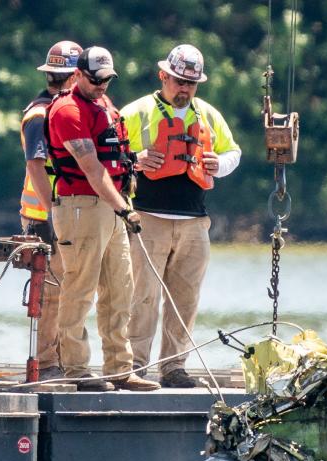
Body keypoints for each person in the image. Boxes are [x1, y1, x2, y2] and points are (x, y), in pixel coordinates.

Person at [122, 44, 241, 388]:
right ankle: (135, 367)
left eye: (191, 83)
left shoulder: (207, 115)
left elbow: (233, 151)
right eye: (177, 81)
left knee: (185, 298)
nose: (184, 88)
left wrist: (222, 164)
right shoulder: (138, 111)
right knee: (142, 295)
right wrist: (137, 157)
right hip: (146, 217)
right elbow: (111, 150)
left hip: (194, 221)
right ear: (163, 76)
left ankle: (174, 367)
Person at [46, 46, 160, 392]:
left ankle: (120, 369)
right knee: (80, 288)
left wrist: (134, 161)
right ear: (77, 74)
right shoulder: (67, 111)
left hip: (110, 206)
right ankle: (77, 370)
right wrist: (125, 208)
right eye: (95, 80)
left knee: (120, 289)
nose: (101, 87)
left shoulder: (103, 106)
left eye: (107, 81)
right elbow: (92, 169)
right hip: (81, 206)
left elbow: (112, 159)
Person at [18, 40, 82, 381]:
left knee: (67, 289)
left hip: (58, 212)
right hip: (46, 216)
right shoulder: (41, 114)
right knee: (53, 293)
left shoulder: (60, 110)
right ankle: (47, 364)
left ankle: (61, 359)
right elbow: (36, 165)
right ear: (74, 77)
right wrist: (53, 210)